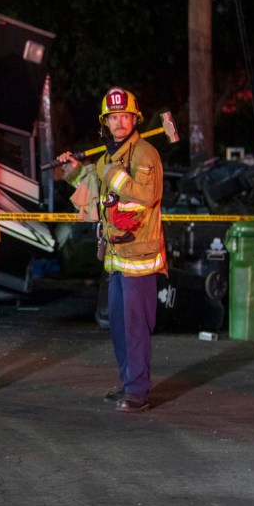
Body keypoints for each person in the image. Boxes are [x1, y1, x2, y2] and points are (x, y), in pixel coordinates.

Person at [57, 86, 167, 413]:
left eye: (125, 116)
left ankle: (138, 391)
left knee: (135, 325)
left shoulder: (145, 154)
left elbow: (144, 196)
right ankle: (127, 381)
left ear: (135, 119)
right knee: (118, 324)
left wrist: (114, 173)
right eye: (114, 117)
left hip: (140, 258)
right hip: (116, 259)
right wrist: (74, 170)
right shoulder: (108, 157)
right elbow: (95, 196)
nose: (120, 123)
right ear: (106, 122)